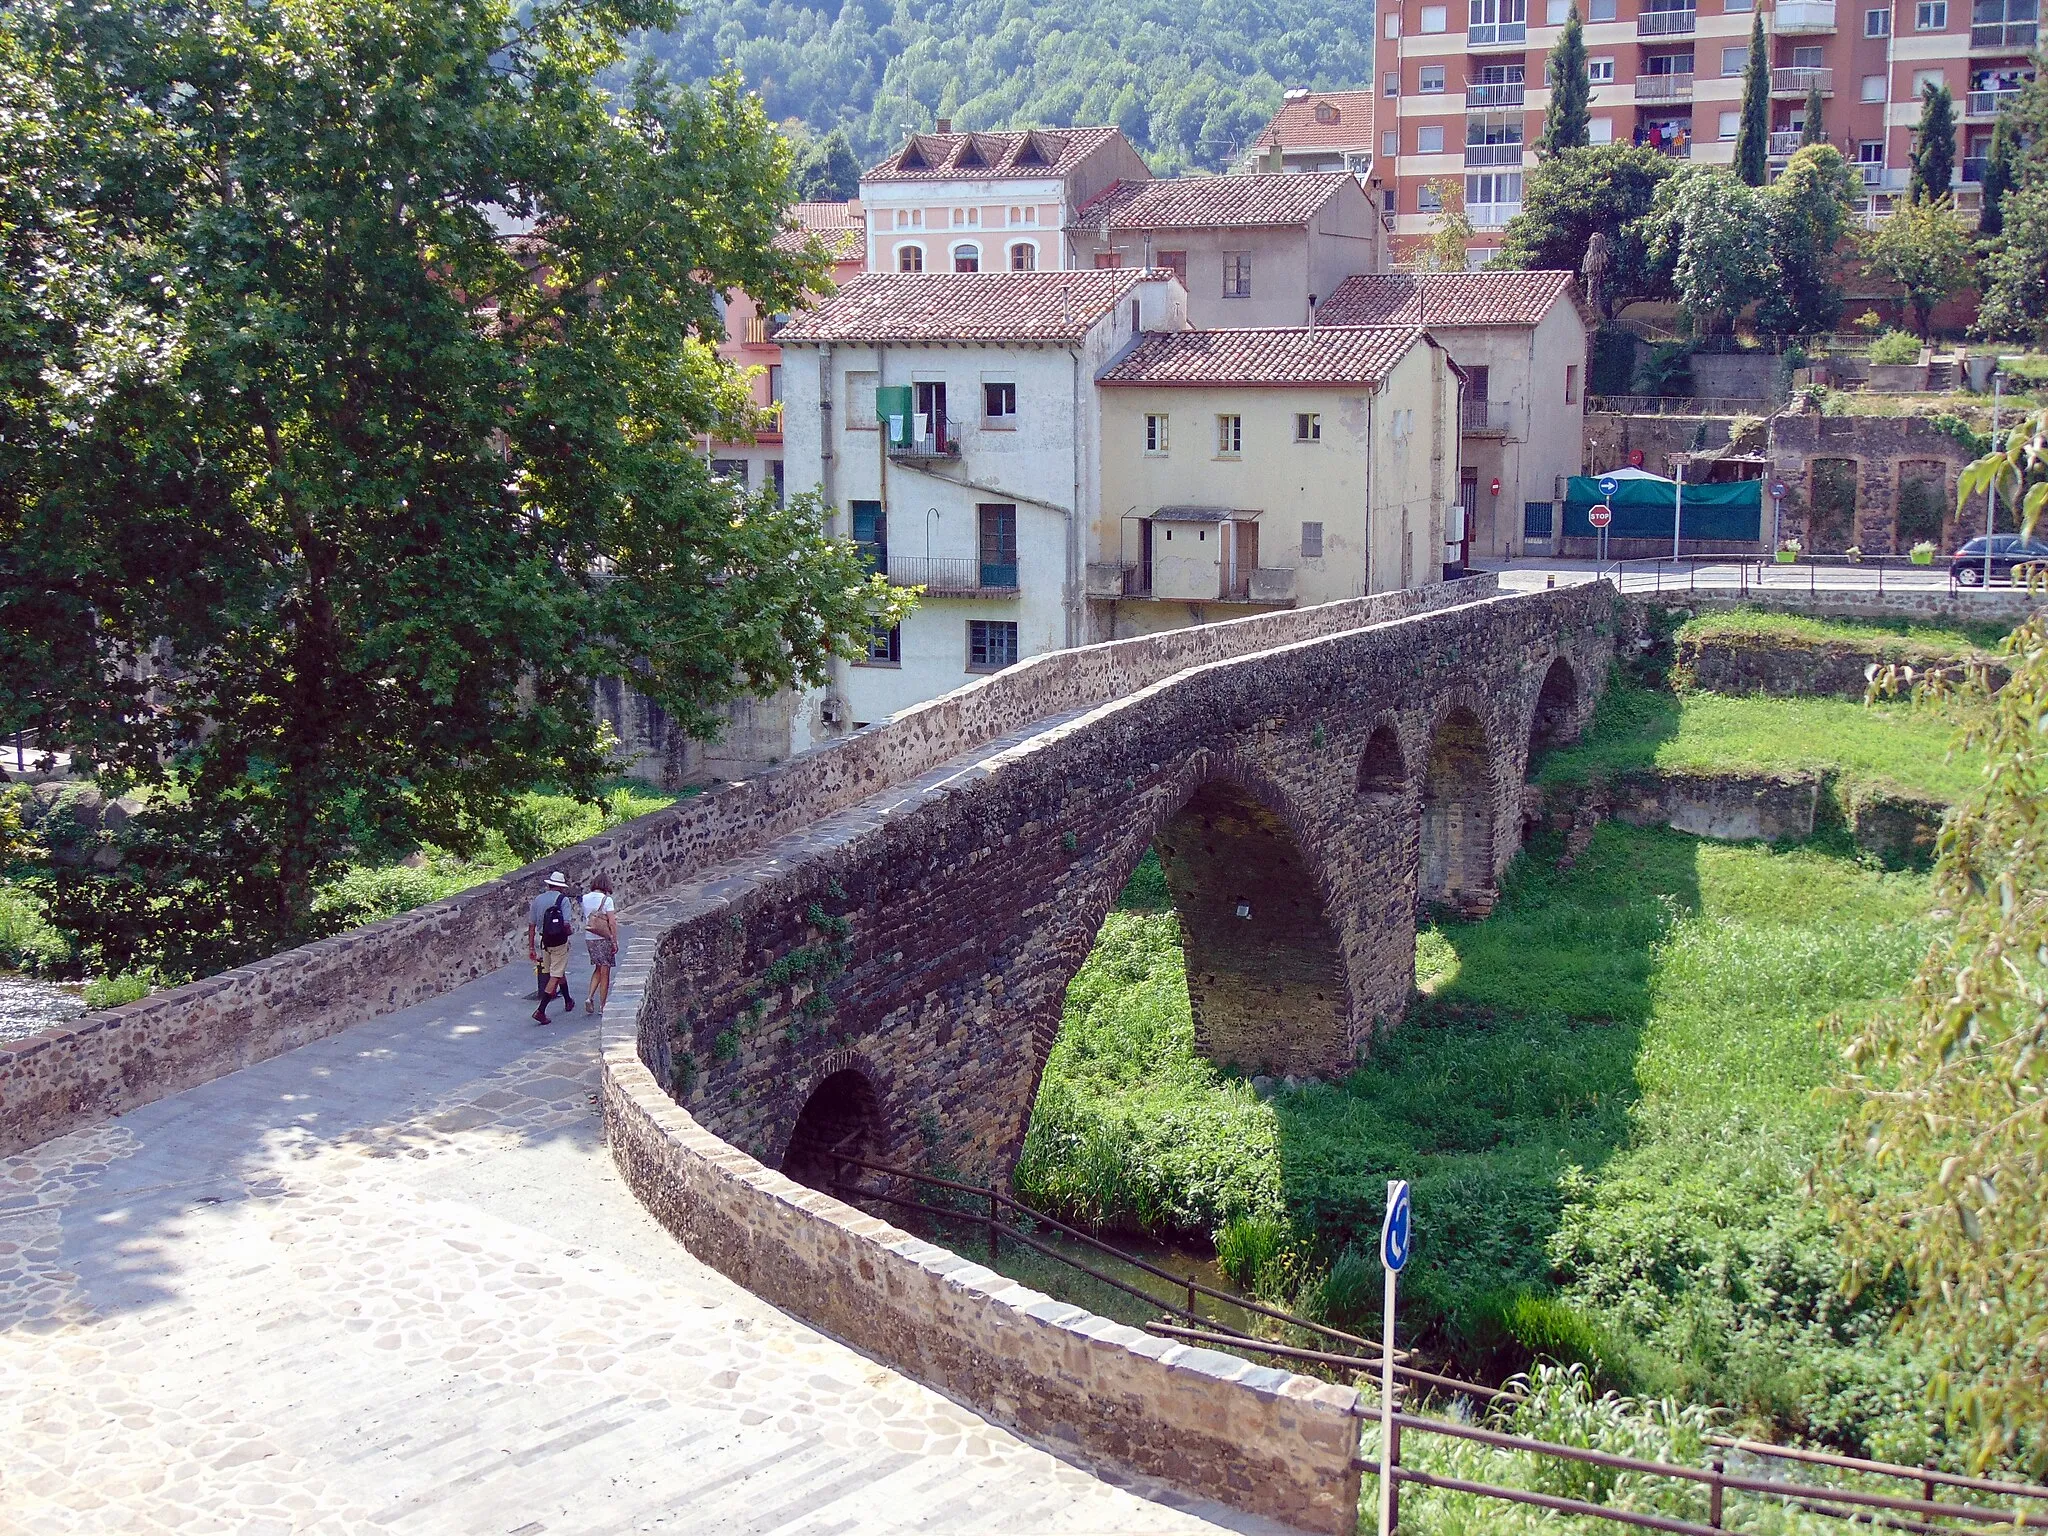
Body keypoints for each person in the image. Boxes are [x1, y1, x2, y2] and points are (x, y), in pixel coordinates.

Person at [528, 872, 577, 1024]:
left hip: (545, 942)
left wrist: (531, 947)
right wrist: (570, 934)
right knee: (555, 975)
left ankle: (568, 1000)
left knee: (556, 970)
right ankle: (541, 1010)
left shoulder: (538, 900)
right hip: (559, 941)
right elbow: (566, 924)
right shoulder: (563, 900)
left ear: (549, 885)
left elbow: (532, 924)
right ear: (561, 887)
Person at [581, 873, 619, 1014]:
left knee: (598, 967)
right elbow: (612, 922)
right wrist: (614, 941)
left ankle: (590, 997)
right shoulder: (607, 900)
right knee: (605, 972)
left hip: (590, 937)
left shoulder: (585, 898)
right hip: (604, 938)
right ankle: (603, 1006)